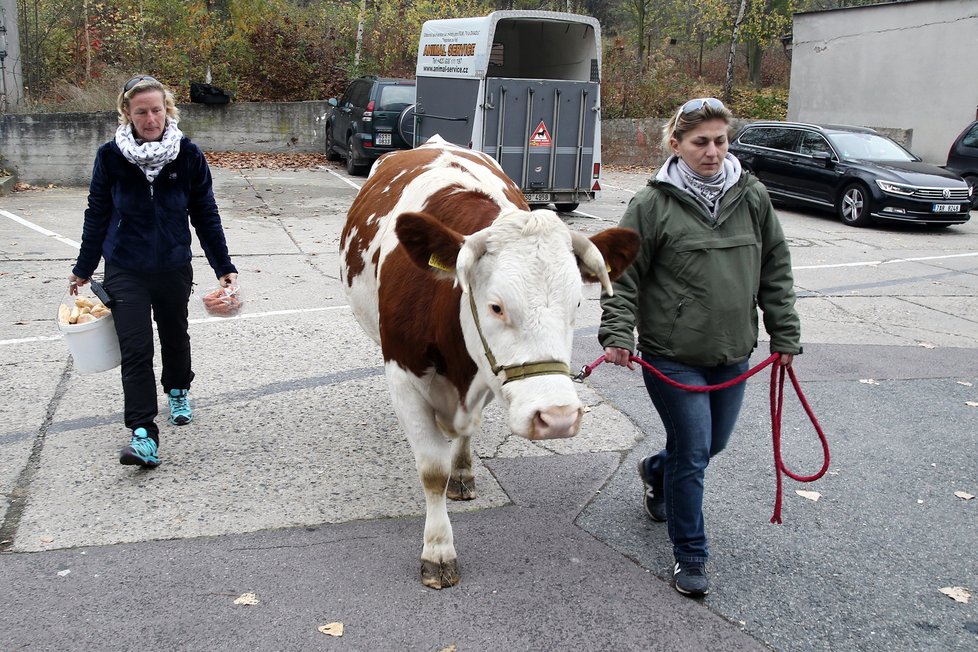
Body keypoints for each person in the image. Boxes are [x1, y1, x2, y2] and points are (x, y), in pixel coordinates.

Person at [598, 97, 801, 598]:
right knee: (693, 453)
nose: (712, 152)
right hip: (672, 355)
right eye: (700, 142)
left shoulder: (751, 196)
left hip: (733, 351)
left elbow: (775, 266)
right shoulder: (650, 204)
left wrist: (785, 332)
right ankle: (690, 555)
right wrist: (618, 333)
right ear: (676, 144)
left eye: (720, 140)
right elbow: (622, 276)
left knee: (712, 446)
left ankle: (654, 471)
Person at [68, 75, 238, 469]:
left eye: (157, 110)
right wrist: (83, 268)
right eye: (141, 111)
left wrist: (223, 266)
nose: (150, 118)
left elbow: (205, 214)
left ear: (168, 110)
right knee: (136, 347)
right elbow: (97, 215)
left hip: (173, 265)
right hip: (125, 267)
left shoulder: (188, 154)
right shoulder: (110, 156)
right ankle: (143, 432)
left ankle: (178, 388)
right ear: (127, 113)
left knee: (175, 334)